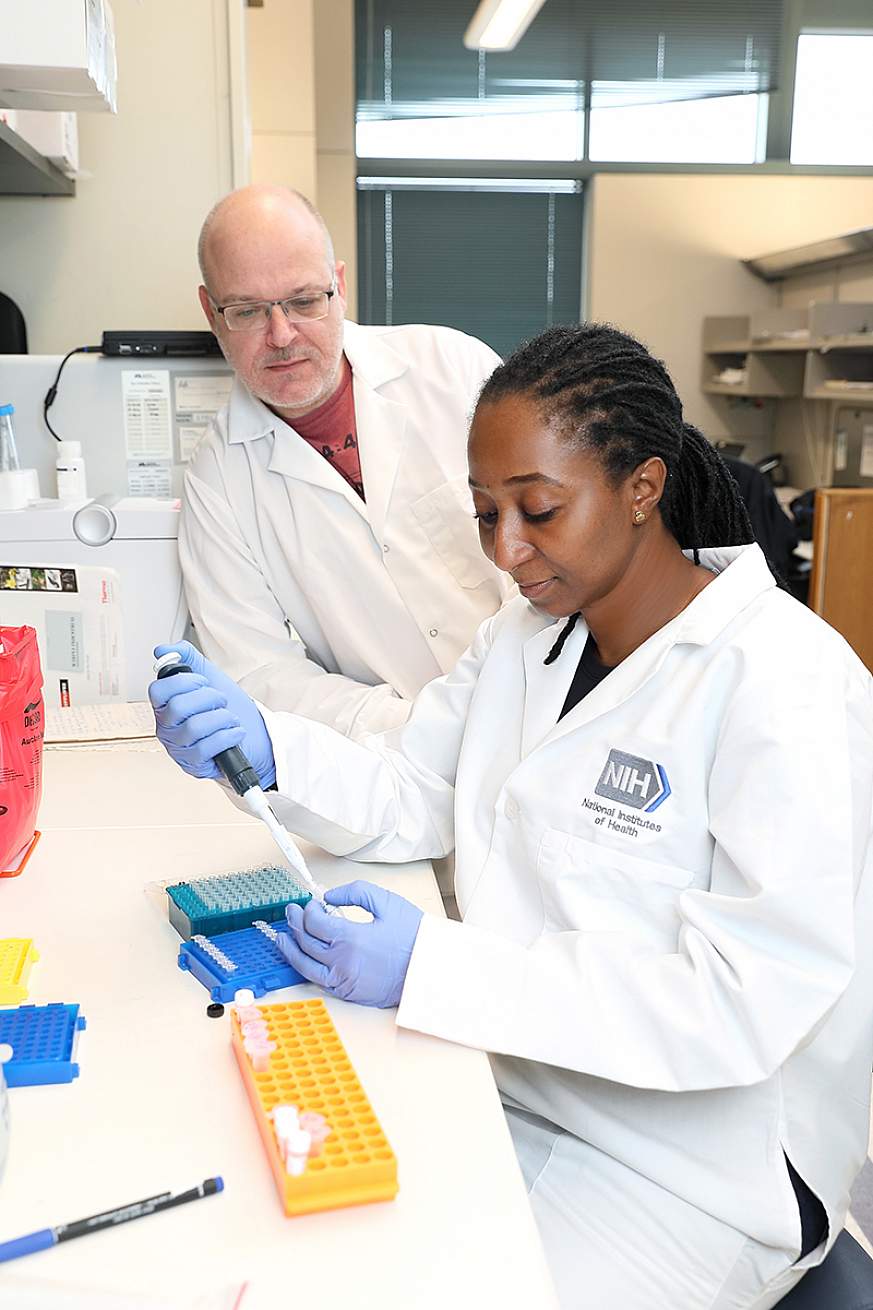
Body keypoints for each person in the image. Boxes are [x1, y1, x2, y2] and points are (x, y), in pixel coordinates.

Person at [151, 324, 873, 1310]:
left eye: (537, 510)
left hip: (698, 1166)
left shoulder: (783, 680)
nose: (504, 549)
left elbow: (737, 1004)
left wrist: (431, 964)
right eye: (486, 513)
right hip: (515, 1080)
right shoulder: (526, 637)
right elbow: (413, 789)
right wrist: (270, 748)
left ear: (641, 489)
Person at [184, 184, 511, 739]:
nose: (282, 335)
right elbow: (260, 671)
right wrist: (421, 726)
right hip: (396, 757)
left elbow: (557, 553)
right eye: (247, 312)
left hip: (544, 711)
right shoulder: (216, 481)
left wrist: (519, 699)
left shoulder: (457, 371)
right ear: (211, 313)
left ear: (340, 285)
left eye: (305, 301)